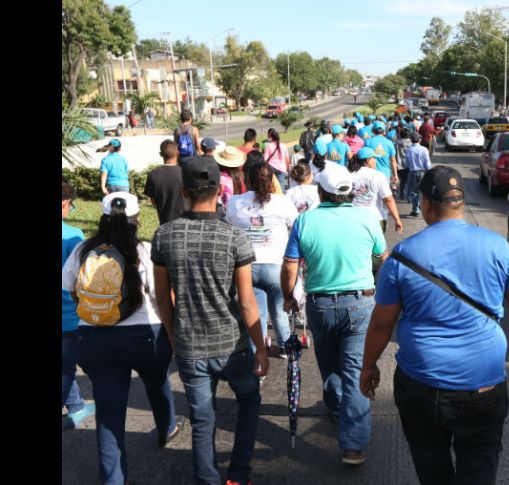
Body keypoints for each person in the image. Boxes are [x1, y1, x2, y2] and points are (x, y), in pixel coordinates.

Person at [359, 166, 509, 485]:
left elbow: (380, 325)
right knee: (479, 462)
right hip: (482, 387)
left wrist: (368, 367)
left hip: (422, 385)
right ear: (460, 202)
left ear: (426, 204)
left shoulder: (402, 256)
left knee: (431, 463)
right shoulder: (498, 247)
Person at [151, 157, 269, 485]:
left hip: (190, 347)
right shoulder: (234, 238)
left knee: (202, 421)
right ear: (219, 190)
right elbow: (247, 303)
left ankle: (208, 480)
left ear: (183, 191)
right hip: (233, 346)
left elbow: (163, 298)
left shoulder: (164, 236)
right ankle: (238, 474)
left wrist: (174, 338)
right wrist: (260, 348)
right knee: (248, 400)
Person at [62, 192, 180, 485]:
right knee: (157, 382)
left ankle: (113, 479)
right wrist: (173, 337)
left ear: (102, 218)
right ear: (137, 218)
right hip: (143, 336)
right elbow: (162, 300)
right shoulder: (145, 251)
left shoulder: (82, 251)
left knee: (109, 413)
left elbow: (71, 289)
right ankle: (166, 428)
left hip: (93, 338)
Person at [280, 168, 387, 466]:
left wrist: (289, 297)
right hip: (361, 303)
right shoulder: (367, 217)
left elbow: (290, 266)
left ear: (322, 193)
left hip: (320, 304)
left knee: (329, 363)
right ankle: (353, 446)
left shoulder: (306, 220)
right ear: (349, 192)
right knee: (355, 370)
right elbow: (381, 257)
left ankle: (338, 406)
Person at [227, 161, 298, 357]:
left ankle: (257, 353)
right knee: (279, 310)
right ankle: (285, 347)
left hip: (246, 266)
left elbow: (230, 225)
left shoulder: (234, 202)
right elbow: (296, 227)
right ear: (272, 179)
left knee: (254, 313)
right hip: (277, 265)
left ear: (247, 180)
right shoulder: (282, 202)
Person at [61, 179, 96, 430]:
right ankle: (77, 405)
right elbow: (82, 279)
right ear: (64, 203)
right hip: (69, 314)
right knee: (77, 362)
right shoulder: (74, 235)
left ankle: (75, 404)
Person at [348, 147, 403, 234]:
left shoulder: (350, 176)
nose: (376, 161)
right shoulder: (378, 176)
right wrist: (397, 219)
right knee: (377, 247)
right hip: (376, 219)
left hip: (355, 220)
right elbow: (388, 200)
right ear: (367, 160)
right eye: (374, 158)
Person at [144, 140, 186, 225]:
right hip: (184, 223)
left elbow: (153, 201)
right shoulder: (185, 173)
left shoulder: (153, 174)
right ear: (177, 153)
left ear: (161, 154)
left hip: (164, 223)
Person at [364, 121, 399, 189]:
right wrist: (395, 175)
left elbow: (364, 160)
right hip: (385, 174)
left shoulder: (368, 142)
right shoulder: (389, 143)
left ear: (373, 130)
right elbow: (393, 161)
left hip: (371, 174)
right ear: (384, 131)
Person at [405, 133, 432, 217]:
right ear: (419, 140)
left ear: (411, 140)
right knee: (423, 191)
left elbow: (407, 164)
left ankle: (415, 209)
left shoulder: (409, 150)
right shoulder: (424, 149)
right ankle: (423, 207)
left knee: (414, 192)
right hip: (422, 172)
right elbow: (427, 164)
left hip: (412, 172)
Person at [394, 128, 412, 200]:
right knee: (409, 181)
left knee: (403, 181)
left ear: (400, 135)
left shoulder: (396, 144)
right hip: (409, 165)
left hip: (399, 165)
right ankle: (408, 196)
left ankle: (402, 194)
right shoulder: (412, 144)